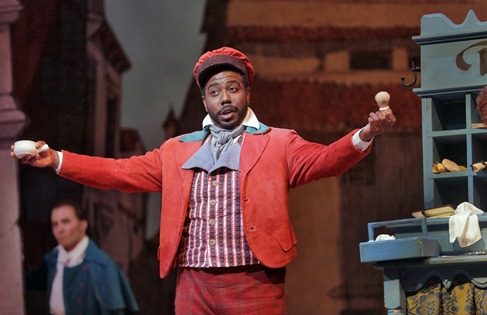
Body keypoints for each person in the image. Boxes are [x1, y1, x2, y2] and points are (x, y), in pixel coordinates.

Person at [13, 46, 396, 314]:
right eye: (215, 92)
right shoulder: (177, 150)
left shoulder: (278, 142)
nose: (225, 98)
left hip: (254, 281)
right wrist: (56, 159)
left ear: (246, 92)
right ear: (204, 102)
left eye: (233, 88)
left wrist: (365, 134)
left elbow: (326, 160)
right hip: (193, 285)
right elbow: (119, 172)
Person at [24, 199, 139, 315]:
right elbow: (33, 281)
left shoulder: (102, 265)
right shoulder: (52, 260)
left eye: (66, 222)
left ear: (83, 225)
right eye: (55, 224)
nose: (60, 229)